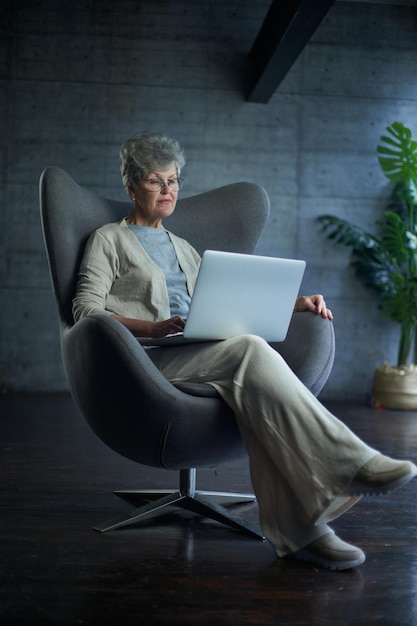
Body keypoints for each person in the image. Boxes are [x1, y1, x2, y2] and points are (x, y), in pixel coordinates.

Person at [73, 132, 417, 571]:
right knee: (250, 352)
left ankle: (300, 533)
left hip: (198, 350)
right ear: (132, 187)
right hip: (146, 359)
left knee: (252, 381)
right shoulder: (108, 240)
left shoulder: (183, 249)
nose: (168, 190)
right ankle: (349, 464)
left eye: (174, 181)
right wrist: (153, 326)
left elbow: (223, 305)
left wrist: (297, 304)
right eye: (156, 181)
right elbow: (86, 309)